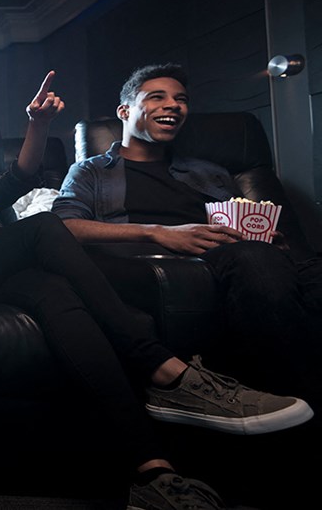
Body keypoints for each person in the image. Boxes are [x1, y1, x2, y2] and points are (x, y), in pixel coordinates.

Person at [0, 70, 312, 510]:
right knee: (45, 227)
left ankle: (152, 472)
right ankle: (162, 367)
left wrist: (38, 123)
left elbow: (22, 174)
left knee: (54, 292)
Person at [51, 62, 322, 407]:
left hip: (232, 258)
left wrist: (267, 238)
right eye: (157, 97)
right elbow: (63, 227)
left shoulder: (209, 172)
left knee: (309, 270)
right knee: (253, 258)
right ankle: (297, 398)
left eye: (181, 99)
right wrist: (159, 233)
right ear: (125, 111)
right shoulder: (90, 171)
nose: (173, 105)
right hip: (152, 266)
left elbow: (238, 223)